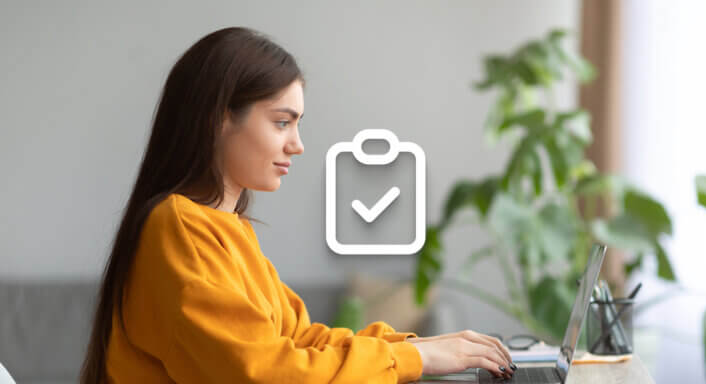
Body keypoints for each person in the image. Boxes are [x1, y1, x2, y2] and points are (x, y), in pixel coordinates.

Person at [79, 26, 515, 383]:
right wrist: (412, 360)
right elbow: (265, 374)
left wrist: (418, 348)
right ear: (217, 119)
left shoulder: (228, 229)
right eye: (281, 122)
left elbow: (299, 340)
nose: (298, 145)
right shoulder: (180, 229)